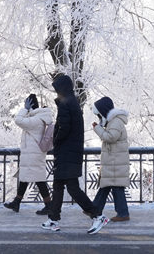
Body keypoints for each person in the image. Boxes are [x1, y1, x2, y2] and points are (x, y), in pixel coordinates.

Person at [41, 74, 108, 234]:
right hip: (70, 152)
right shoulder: (72, 102)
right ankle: (53, 219)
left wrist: (56, 140)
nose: (56, 93)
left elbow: (64, 127)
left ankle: (97, 215)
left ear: (62, 89)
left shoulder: (66, 103)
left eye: (57, 90)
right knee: (58, 185)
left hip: (67, 152)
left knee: (72, 188)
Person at [4, 94, 54, 214]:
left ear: (30, 104)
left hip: (33, 154)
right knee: (25, 176)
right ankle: (17, 202)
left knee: (39, 180)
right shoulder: (38, 118)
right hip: (32, 153)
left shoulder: (36, 120)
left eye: (27, 103)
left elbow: (18, 120)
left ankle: (49, 205)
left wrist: (25, 109)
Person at [90, 96, 131, 222]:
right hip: (114, 161)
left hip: (115, 161)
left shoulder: (115, 122)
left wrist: (98, 129)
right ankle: (94, 209)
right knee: (107, 185)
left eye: (99, 114)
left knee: (115, 187)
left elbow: (111, 137)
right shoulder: (114, 121)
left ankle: (122, 213)